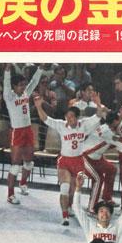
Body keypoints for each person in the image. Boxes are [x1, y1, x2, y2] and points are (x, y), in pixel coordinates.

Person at [34, 94, 105, 225]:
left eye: (71, 117)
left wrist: (98, 103)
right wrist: (39, 107)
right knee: (64, 188)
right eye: (67, 117)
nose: (68, 119)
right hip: (65, 161)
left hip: (78, 161)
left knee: (73, 190)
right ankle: (65, 216)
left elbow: (99, 115)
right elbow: (45, 119)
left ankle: (71, 206)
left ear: (77, 117)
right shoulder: (61, 125)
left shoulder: (84, 124)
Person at [3, 63, 46, 204]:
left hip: (28, 130)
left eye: (24, 85)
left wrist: (40, 68)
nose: (23, 87)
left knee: (29, 163)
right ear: (14, 86)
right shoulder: (9, 96)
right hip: (17, 132)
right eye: (20, 85)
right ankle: (10, 195)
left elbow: (34, 81)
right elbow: (6, 83)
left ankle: (23, 183)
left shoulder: (26, 93)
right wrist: (7, 70)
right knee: (15, 166)